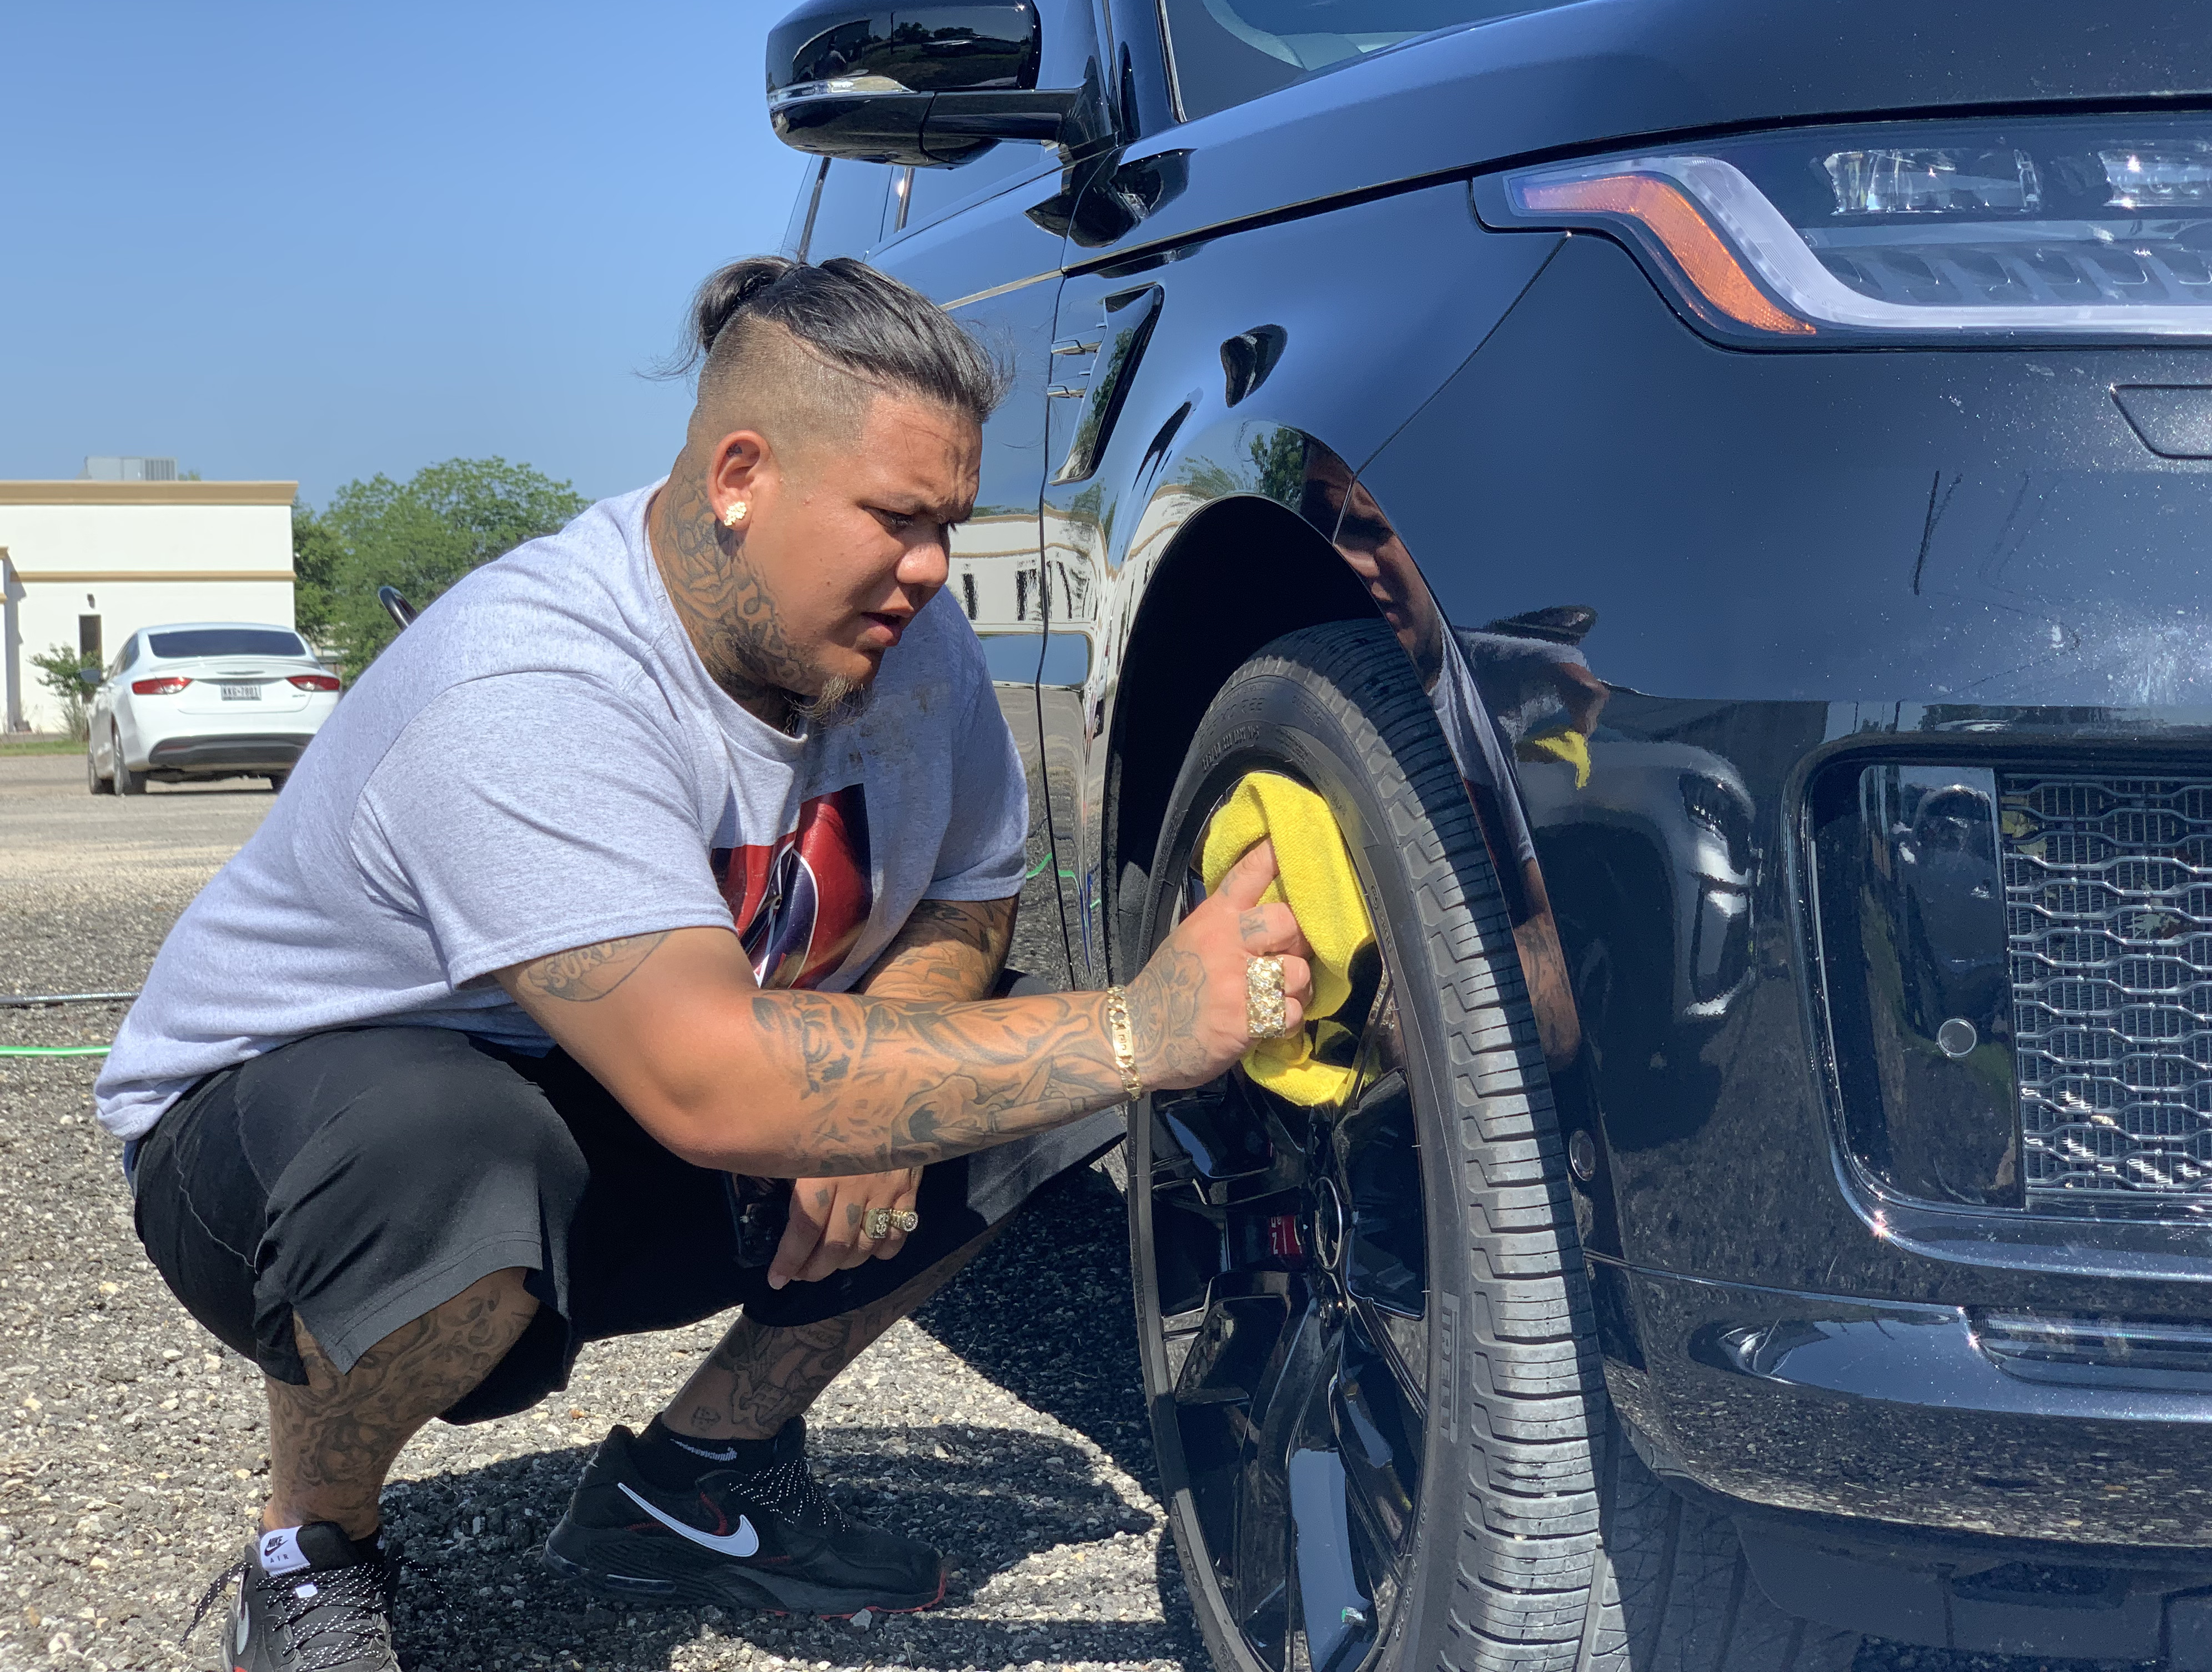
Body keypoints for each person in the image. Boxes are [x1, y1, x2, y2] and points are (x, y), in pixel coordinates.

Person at [94, 255, 1312, 1672]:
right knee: (457, 1149)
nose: (932, 570)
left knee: (1022, 1078)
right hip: (282, 1147)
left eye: (951, 525)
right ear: (741, 474)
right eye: (897, 520)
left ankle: (700, 1484)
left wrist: (884, 1092)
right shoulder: (532, 682)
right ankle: (310, 1550)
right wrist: (1140, 1026)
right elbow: (704, 1081)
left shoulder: (904, 647)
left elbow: (967, 906)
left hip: (638, 1102)